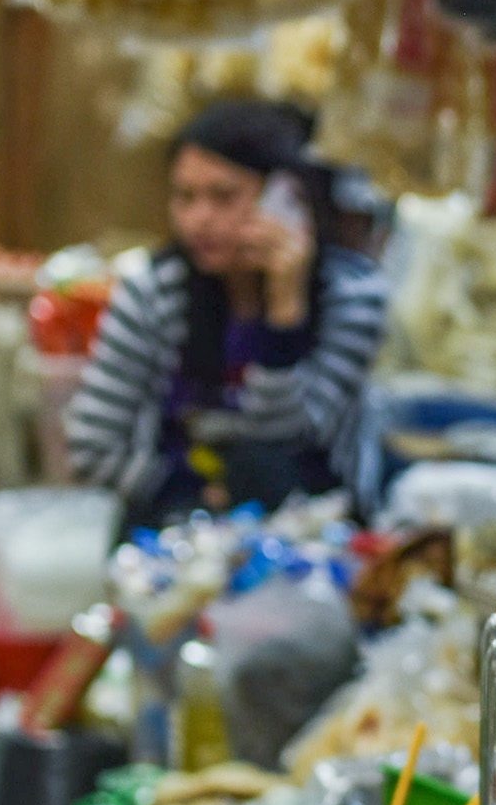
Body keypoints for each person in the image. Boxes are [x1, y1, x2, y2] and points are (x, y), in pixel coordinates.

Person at [64, 99, 388, 532]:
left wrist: (284, 309)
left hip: (316, 534)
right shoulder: (155, 293)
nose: (199, 220)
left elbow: (291, 433)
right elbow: (92, 444)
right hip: (177, 529)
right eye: (185, 197)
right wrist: (204, 501)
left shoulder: (352, 295)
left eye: (223, 197)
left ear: (287, 198)